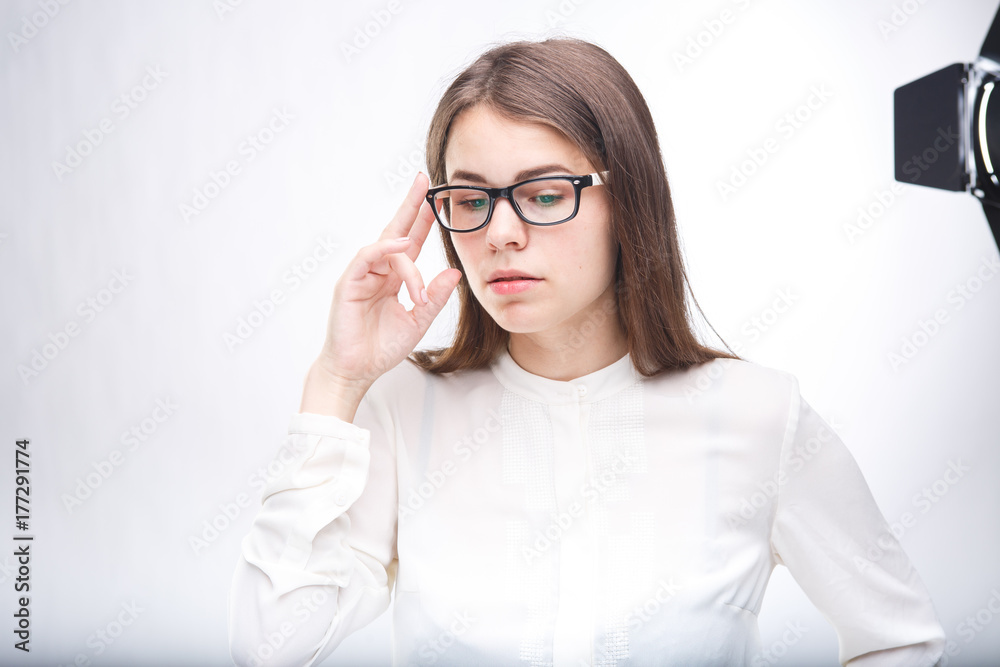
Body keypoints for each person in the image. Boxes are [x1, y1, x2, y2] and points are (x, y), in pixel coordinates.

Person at [228, 37, 947, 666]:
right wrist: (337, 377)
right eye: (470, 199)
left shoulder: (760, 415)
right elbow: (272, 647)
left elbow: (900, 639)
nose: (500, 232)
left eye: (542, 193)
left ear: (626, 200)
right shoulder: (401, 409)